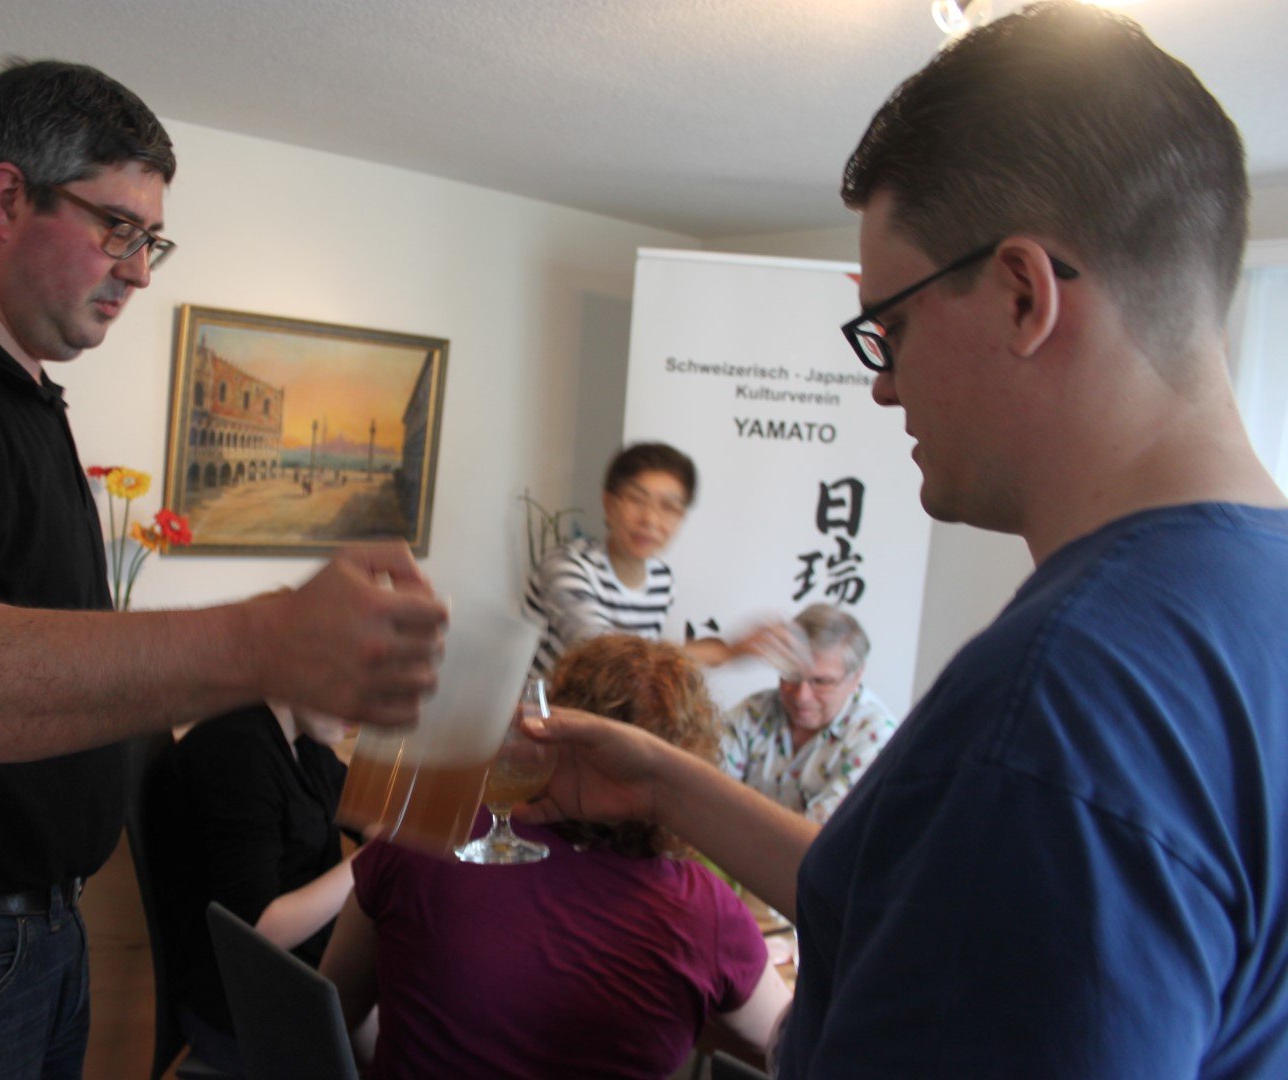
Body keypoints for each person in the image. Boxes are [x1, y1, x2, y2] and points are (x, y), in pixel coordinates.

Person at [520, 4, 1288, 1076]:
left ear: (1022, 295)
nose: (881, 386)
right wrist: (661, 780)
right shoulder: (1246, 604)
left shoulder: (1062, 702)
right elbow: (903, 895)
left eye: (891, 326)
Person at [0, 59, 446, 1078]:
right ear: (7, 198)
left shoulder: (16, 396)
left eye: (151, 239)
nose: (141, 271)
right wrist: (266, 639)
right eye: (117, 227)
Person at [322, 635, 792, 1079]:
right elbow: (786, 1042)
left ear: (548, 726)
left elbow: (334, 1011)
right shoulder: (705, 912)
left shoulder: (426, 830)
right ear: (691, 760)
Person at [170, 701, 360, 1068]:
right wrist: (369, 862)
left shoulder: (306, 745)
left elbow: (373, 819)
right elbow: (254, 930)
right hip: (247, 1006)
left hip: (302, 979)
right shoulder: (235, 750)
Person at [523, 441, 757, 676]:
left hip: (611, 701)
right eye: (636, 499)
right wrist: (718, 652)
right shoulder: (567, 566)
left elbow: (638, 672)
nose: (650, 520)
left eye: (668, 507)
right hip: (549, 700)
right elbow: (603, 656)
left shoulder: (661, 579)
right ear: (608, 503)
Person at [719, 604, 898, 824]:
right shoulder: (755, 711)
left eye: (821, 682)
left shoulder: (876, 736)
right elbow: (707, 793)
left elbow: (821, 835)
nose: (801, 696)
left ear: (855, 677)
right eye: (791, 675)